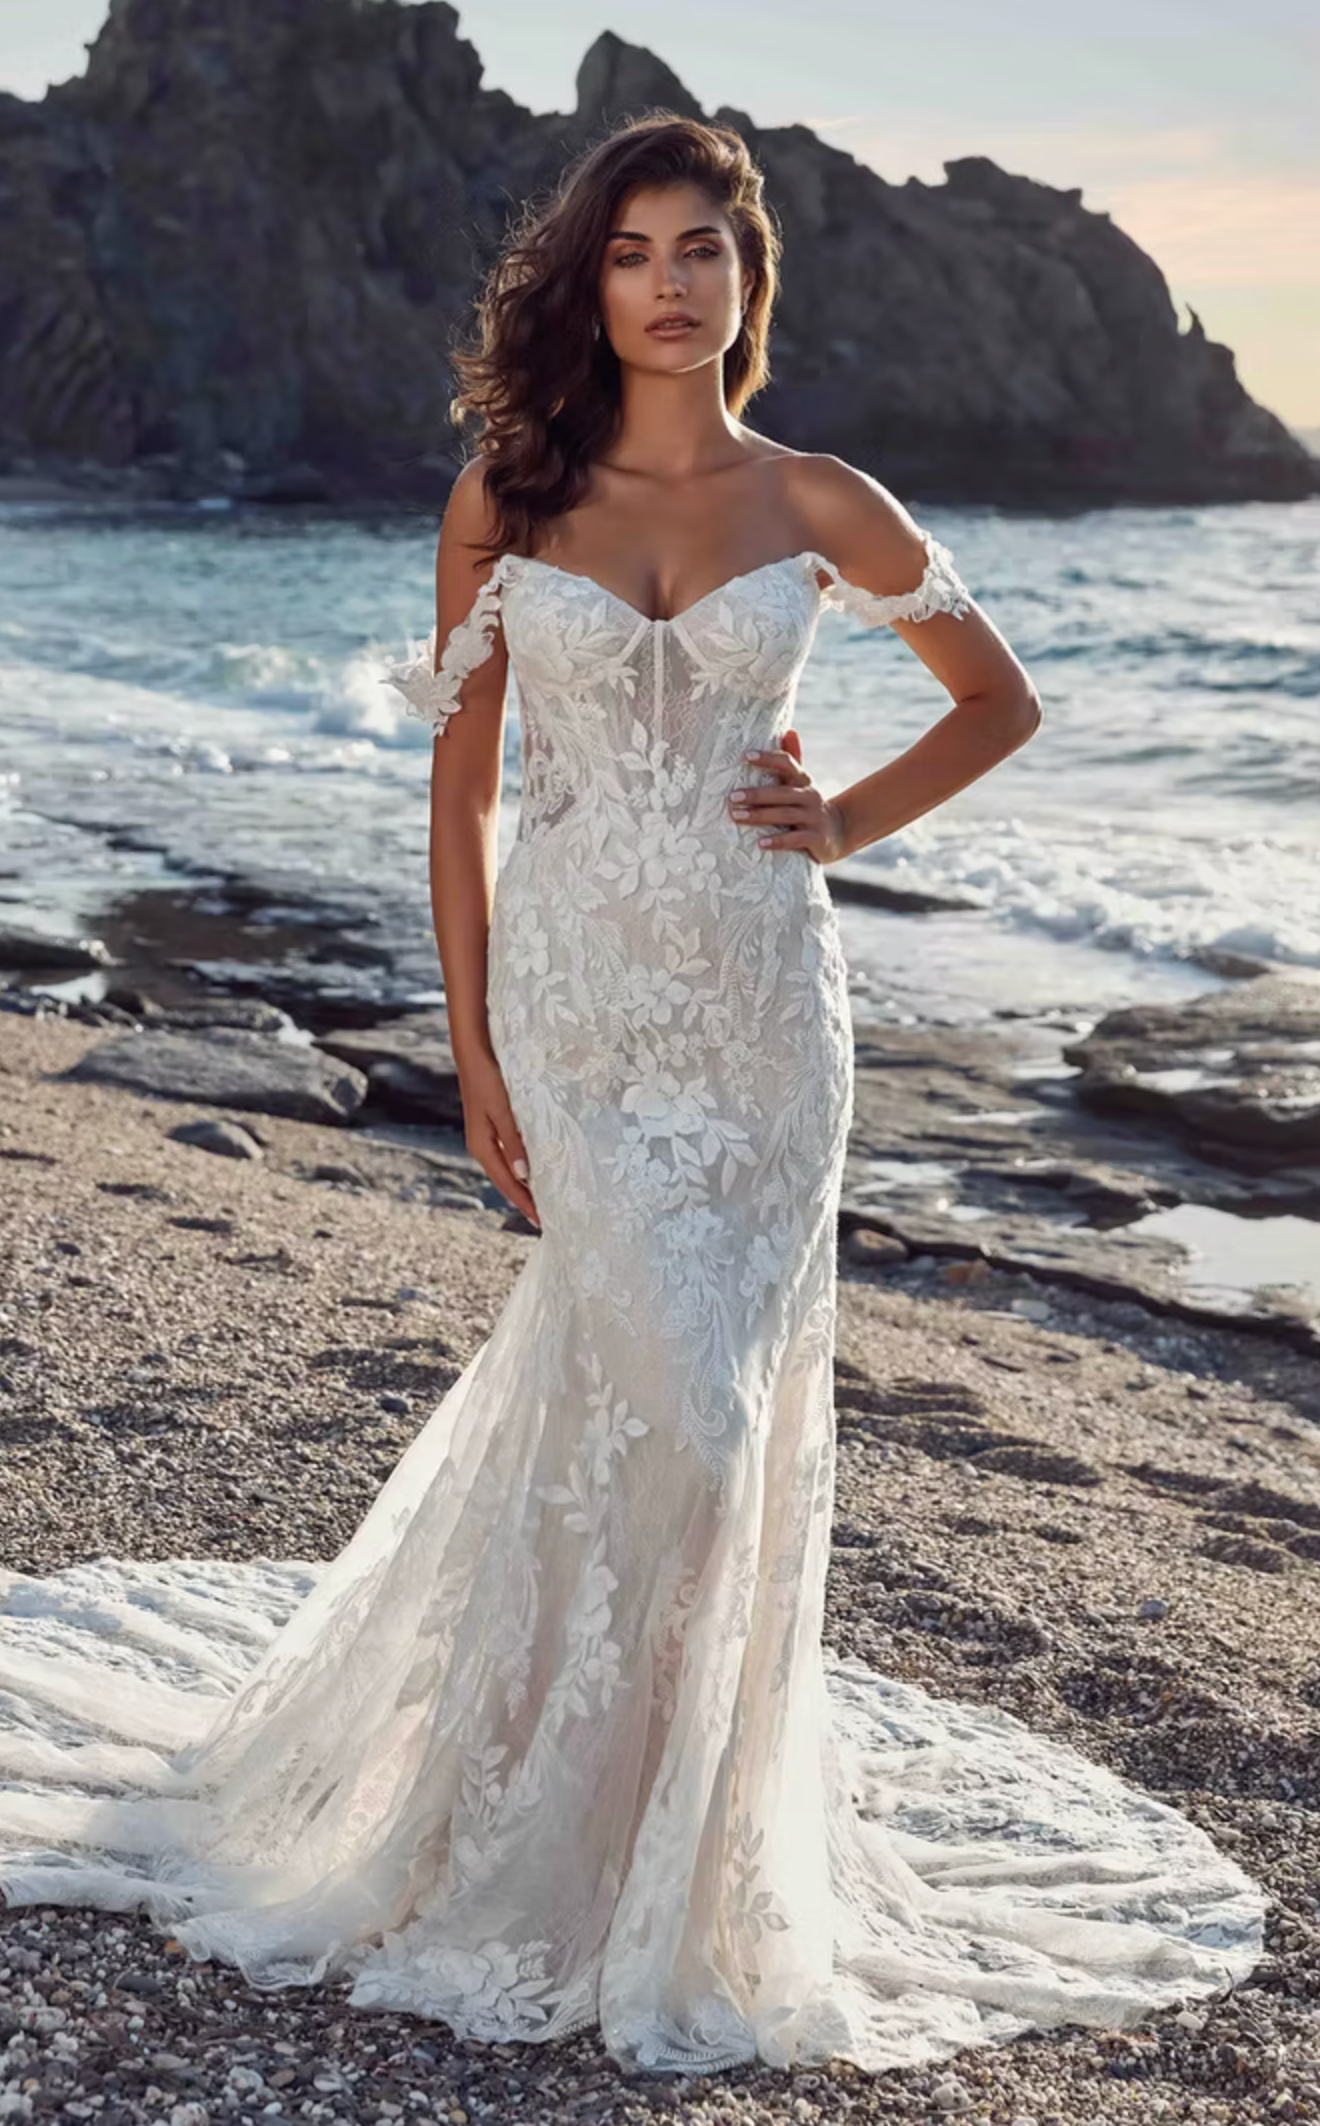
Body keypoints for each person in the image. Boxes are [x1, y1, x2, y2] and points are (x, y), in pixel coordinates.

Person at [0, 113, 1266, 2080]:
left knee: (709, 1418)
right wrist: (475, 1041)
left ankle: (658, 1867)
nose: (671, 281)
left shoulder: (823, 500)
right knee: (642, 1389)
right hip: (584, 1012)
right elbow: (462, 786)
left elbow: (999, 696)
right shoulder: (506, 499)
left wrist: (842, 814)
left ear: (749, 282)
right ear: (589, 281)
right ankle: (521, 1834)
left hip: (767, 1021)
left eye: (704, 249)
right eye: (635, 251)